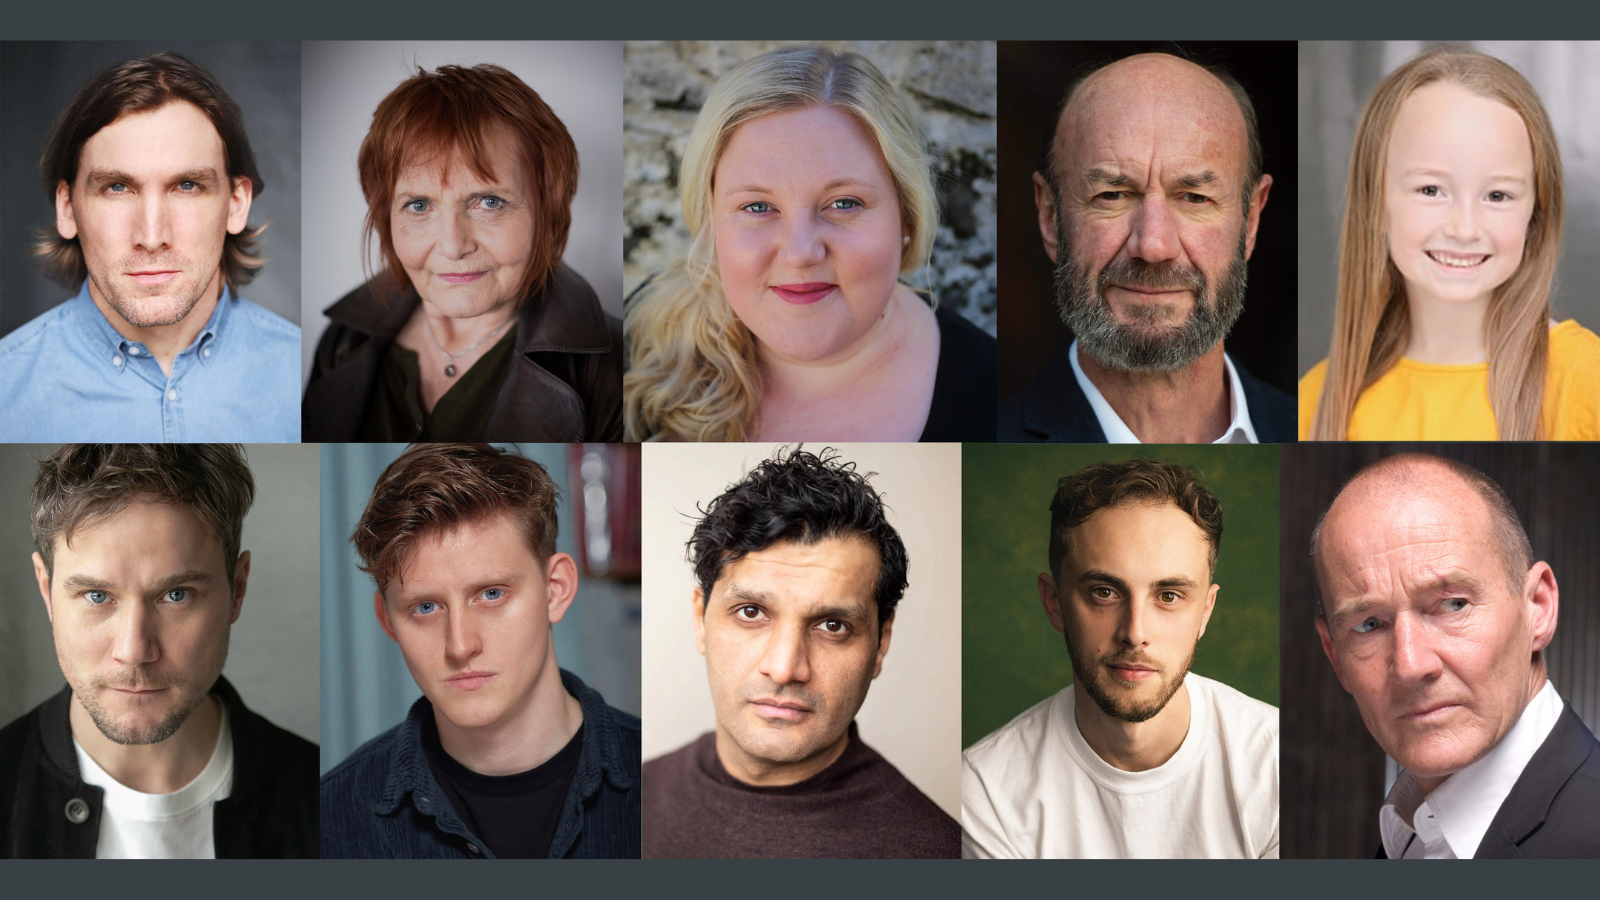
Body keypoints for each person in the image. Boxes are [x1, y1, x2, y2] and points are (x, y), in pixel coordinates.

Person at [623, 45, 996, 442]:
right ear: (711, 219)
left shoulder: (990, 395)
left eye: (844, 203)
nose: (800, 253)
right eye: (758, 206)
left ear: (907, 216)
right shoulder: (641, 338)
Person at [319, 444, 639, 859]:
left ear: (555, 591)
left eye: (491, 594)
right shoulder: (332, 817)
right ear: (387, 621)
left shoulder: (658, 784)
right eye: (426, 607)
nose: (460, 645)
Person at [0, 444, 317, 858]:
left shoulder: (317, 791)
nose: (134, 651)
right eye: (97, 595)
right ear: (47, 592)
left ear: (236, 590)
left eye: (176, 594)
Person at [642, 447, 959, 858]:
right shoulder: (636, 794)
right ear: (701, 617)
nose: (784, 667)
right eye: (751, 612)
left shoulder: (939, 854)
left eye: (833, 625)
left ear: (880, 644)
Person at [962, 459, 1278, 858]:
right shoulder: (986, 792)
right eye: (1104, 592)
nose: (1135, 632)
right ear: (1054, 602)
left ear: (1205, 611)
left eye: (1168, 596)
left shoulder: (1278, 765)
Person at [302, 64, 622, 441]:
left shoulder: (614, 373)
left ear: (547, 212)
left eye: (489, 202)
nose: (453, 246)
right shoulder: (342, 342)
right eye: (419, 205)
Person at [1300, 48, 1600, 441]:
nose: (1464, 228)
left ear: (1536, 213)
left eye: (1497, 195)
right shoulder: (1316, 399)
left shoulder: (1585, 377)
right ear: (1375, 202)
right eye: (1431, 189)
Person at [1310, 453, 1600, 858]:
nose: (1411, 666)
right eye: (1369, 625)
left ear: (1538, 607)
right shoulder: (1409, 836)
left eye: (1453, 605)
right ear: (1335, 656)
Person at [0, 53, 299, 442]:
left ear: (237, 203)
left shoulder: (311, 380)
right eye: (117, 187)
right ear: (67, 207)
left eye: (187, 186)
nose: (152, 234)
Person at [997, 53, 1294, 444]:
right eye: (1113, 195)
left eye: (1194, 197)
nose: (1153, 245)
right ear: (1050, 218)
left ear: (1250, 220)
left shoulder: (1318, 429)